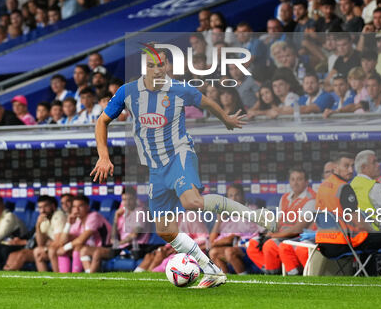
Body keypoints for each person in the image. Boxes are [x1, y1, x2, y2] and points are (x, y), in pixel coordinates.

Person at [90, 47, 273, 288]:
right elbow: (102, 121)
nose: (159, 69)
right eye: (154, 65)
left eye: (163, 64)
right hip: (156, 168)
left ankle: (254, 215)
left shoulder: (179, 89)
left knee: (191, 202)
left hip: (180, 154)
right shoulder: (128, 92)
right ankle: (211, 270)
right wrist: (104, 156)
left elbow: (206, 102)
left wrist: (226, 119)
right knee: (165, 229)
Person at [247, 168, 316, 275]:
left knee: (270, 244)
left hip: (297, 236)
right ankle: (269, 269)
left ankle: (274, 274)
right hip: (282, 235)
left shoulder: (311, 199)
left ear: (306, 182)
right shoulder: (285, 197)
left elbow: (298, 229)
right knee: (253, 243)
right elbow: (279, 221)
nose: (295, 183)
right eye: (293, 179)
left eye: (299, 179)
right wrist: (269, 232)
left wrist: (275, 235)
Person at [82, 187, 150, 273]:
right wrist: (116, 217)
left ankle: (90, 278)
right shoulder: (123, 214)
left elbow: (134, 235)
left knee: (97, 253)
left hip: (134, 247)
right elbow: (113, 237)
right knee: (84, 250)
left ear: (135, 199)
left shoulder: (140, 212)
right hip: (120, 247)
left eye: (130, 199)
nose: (127, 202)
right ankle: (87, 275)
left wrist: (118, 243)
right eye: (124, 199)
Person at [208, 184, 261, 274]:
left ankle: (245, 280)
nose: (234, 199)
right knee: (213, 253)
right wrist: (219, 220)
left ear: (243, 196)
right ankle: (227, 281)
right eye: (231, 196)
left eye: (237, 195)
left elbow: (263, 232)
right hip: (234, 247)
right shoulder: (228, 217)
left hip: (249, 246)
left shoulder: (252, 211)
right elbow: (211, 242)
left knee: (229, 251)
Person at [56, 195, 111, 273]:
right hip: (90, 249)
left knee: (78, 248)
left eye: (80, 206)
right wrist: (68, 224)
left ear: (87, 207)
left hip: (106, 248)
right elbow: (62, 241)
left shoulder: (93, 216)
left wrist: (64, 248)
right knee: (66, 248)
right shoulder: (78, 221)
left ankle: (78, 275)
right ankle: (64, 277)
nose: (77, 209)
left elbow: (81, 240)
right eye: (74, 207)